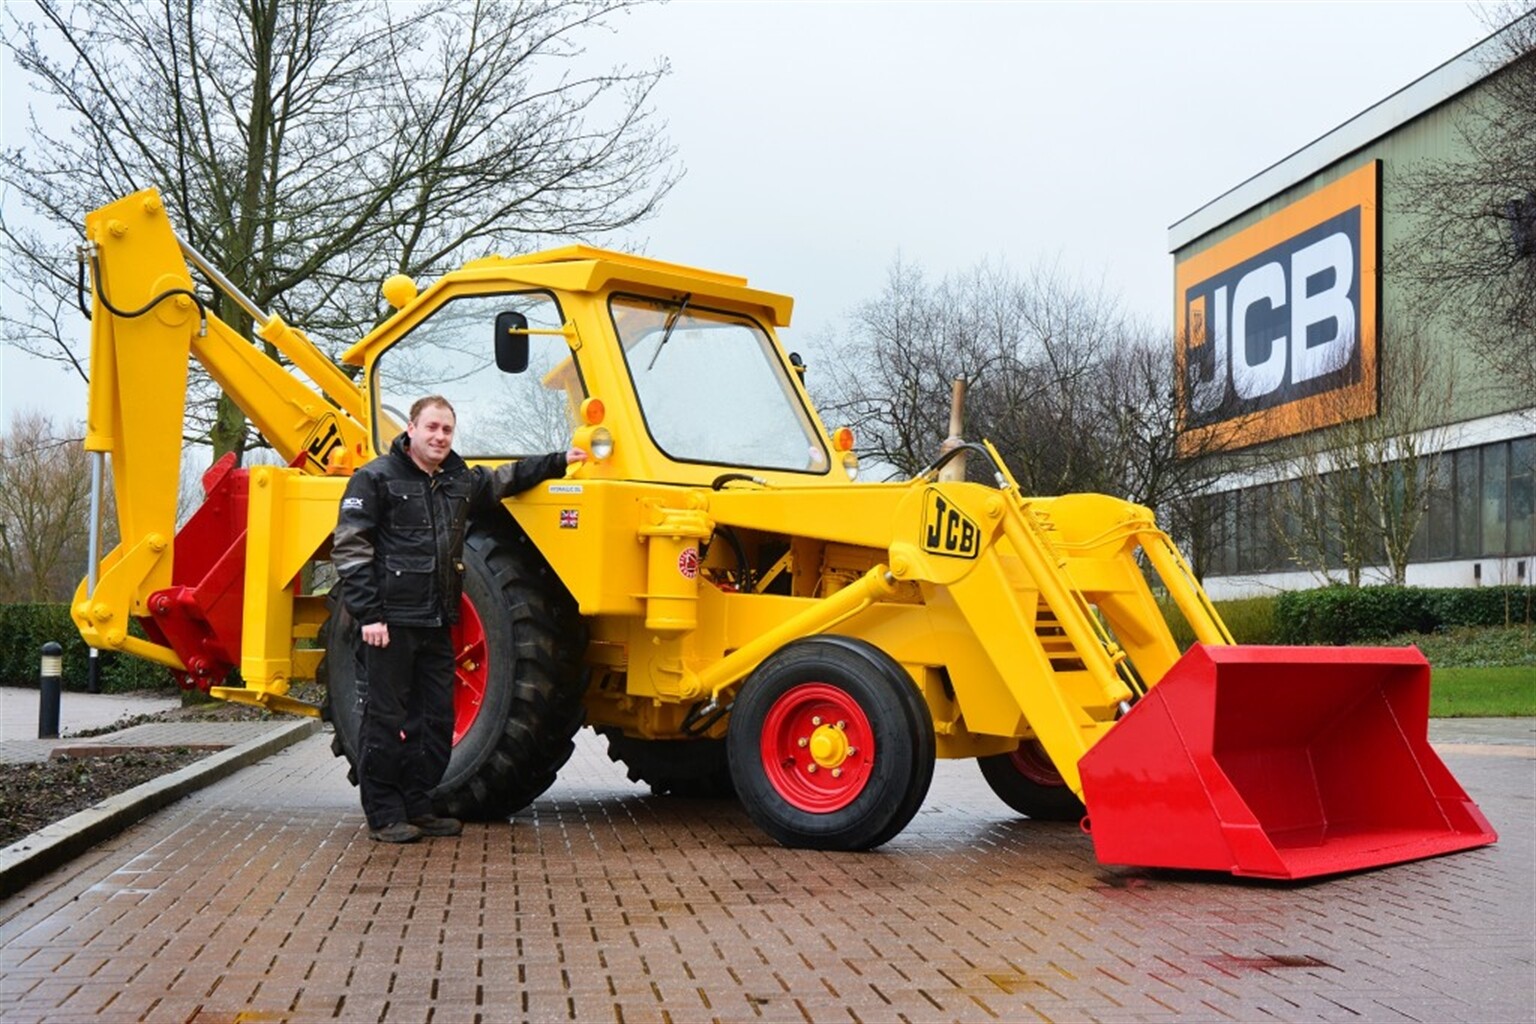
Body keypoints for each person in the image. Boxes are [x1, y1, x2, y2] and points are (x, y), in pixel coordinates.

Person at [332, 395, 586, 843]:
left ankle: (418, 805)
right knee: (385, 721)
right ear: (410, 429)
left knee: (435, 722)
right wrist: (369, 615)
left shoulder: (456, 482)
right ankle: (385, 814)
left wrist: (559, 460)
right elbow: (351, 550)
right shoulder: (374, 479)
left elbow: (506, 478)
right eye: (431, 428)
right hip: (389, 624)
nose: (439, 437)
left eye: (447, 430)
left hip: (436, 622)